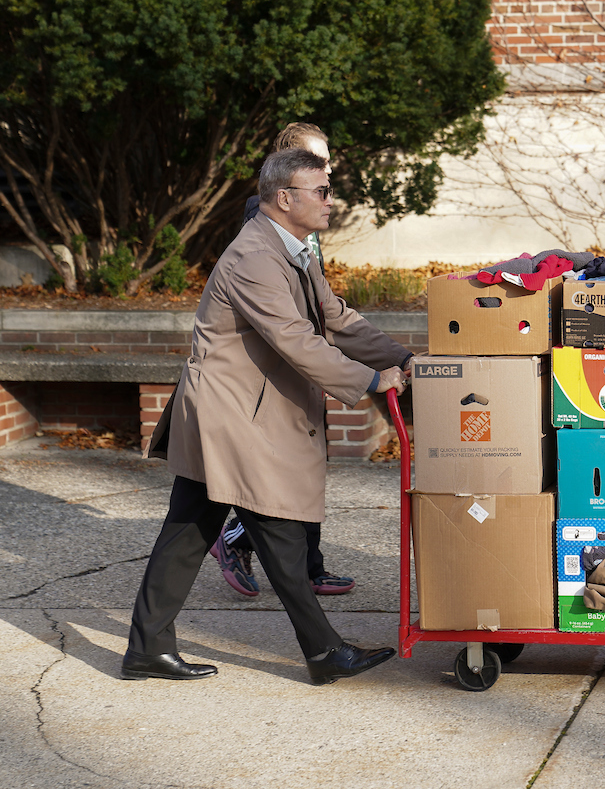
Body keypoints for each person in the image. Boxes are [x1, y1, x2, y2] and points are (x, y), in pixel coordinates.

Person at [121, 147, 413, 684]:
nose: (331, 200)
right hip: (230, 416)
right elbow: (295, 340)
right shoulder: (253, 256)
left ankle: (147, 649)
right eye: (321, 191)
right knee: (276, 529)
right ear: (285, 198)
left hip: (238, 412)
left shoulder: (295, 248)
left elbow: (336, 319)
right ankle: (324, 653)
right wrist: (370, 381)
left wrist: (401, 357)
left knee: (190, 529)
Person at [210, 122, 355, 598]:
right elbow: (280, 313)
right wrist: (359, 375)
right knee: (280, 478)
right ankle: (241, 541)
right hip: (274, 369)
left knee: (302, 469)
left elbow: (322, 301)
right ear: (292, 172)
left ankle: (306, 567)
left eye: (328, 160)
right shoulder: (267, 219)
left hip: (304, 356)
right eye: (320, 160)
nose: (329, 170)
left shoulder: (308, 214)